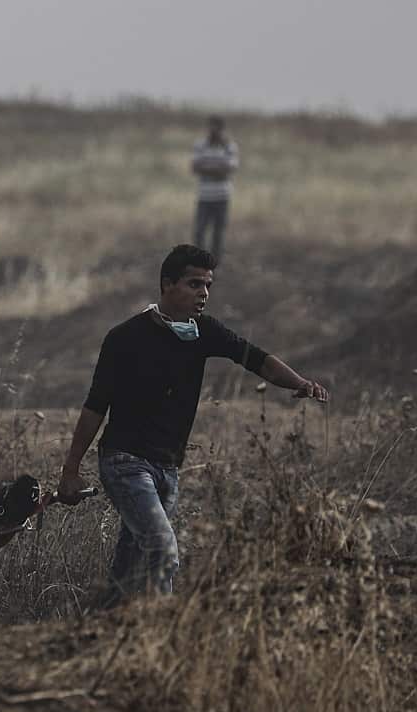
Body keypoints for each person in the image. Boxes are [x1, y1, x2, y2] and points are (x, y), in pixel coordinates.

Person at [58, 244, 328, 605]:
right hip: (125, 462)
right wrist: (71, 469)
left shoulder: (204, 331)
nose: (203, 294)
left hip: (169, 467)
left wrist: (301, 384)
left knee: (131, 566)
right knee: (163, 551)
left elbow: (259, 360)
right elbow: (94, 407)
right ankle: (164, 637)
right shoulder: (125, 338)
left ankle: (94, 631)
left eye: (207, 286)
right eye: (194, 284)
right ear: (167, 285)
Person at [191, 116, 239, 260]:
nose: (213, 131)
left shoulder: (229, 146)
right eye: (211, 127)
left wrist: (207, 168)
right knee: (199, 231)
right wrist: (218, 169)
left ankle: (215, 261)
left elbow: (229, 169)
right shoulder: (200, 145)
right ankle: (198, 260)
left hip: (222, 196)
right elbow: (195, 167)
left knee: (218, 232)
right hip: (204, 196)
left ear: (222, 130)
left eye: (217, 128)